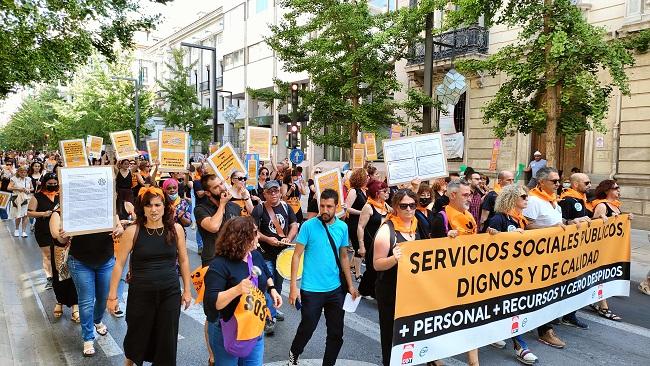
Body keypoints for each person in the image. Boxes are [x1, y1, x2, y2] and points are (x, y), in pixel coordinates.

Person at [107, 186, 192, 365]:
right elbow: (119, 264)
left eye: (157, 205)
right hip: (141, 294)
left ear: (164, 207)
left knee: (167, 340)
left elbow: (183, 261)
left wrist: (187, 291)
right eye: (148, 205)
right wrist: (112, 296)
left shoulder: (176, 229)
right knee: (137, 338)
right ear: (142, 208)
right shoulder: (132, 231)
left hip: (170, 292)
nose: (153, 210)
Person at [288, 189, 359, 366]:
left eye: (329, 206)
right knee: (308, 327)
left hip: (335, 289)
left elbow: (343, 256)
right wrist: (293, 287)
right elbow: (296, 255)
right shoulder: (308, 226)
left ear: (336, 207)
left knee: (336, 333)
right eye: (322, 206)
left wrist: (350, 285)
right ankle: (294, 354)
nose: (325, 210)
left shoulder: (342, 227)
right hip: (311, 289)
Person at [203, 217, 282, 365]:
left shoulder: (255, 255)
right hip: (228, 329)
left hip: (253, 327)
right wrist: (237, 290)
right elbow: (213, 302)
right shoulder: (219, 265)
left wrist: (272, 289)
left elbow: (266, 272)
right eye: (255, 232)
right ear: (242, 238)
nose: (258, 236)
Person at [50, 208, 123, 356]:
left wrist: (120, 229)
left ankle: (96, 320)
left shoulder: (106, 204)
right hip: (80, 261)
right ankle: (88, 337)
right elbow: (61, 239)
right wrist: (63, 234)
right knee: (86, 301)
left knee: (103, 297)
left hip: (105, 259)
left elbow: (118, 225)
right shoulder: (67, 209)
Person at [486, 185, 539, 365]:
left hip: (518, 272)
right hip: (500, 273)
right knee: (511, 308)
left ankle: (494, 333)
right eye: (523, 196)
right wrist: (500, 235)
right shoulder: (498, 219)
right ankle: (520, 346)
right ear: (511, 198)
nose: (527, 199)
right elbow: (489, 245)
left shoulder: (520, 220)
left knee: (505, 307)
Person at [194, 174, 242, 365]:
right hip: (212, 264)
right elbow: (213, 227)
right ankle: (213, 353)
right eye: (216, 187)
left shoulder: (234, 206)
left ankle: (233, 346)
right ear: (207, 192)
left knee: (235, 306)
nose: (222, 188)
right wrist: (221, 205)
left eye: (222, 183)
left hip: (234, 263)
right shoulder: (201, 208)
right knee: (213, 313)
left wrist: (245, 197)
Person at [373, 189, 421, 366]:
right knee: (391, 337)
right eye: (404, 206)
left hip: (413, 292)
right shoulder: (387, 230)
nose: (409, 209)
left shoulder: (418, 225)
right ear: (395, 207)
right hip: (390, 292)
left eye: (412, 205)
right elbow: (377, 264)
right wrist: (394, 258)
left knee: (410, 336)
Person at [523, 167, 567, 348]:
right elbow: (526, 227)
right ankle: (544, 330)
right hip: (538, 257)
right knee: (540, 293)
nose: (558, 184)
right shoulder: (533, 200)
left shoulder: (554, 201)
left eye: (559, 181)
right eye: (554, 181)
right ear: (541, 182)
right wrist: (551, 230)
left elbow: (558, 223)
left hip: (554, 255)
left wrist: (572, 223)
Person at [251, 180, 299, 333]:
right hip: (264, 255)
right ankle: (269, 317)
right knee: (266, 285)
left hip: (282, 256)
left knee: (277, 285)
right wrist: (267, 239)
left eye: (276, 191)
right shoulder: (259, 209)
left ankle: (273, 308)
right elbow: (253, 231)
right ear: (264, 193)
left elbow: (294, 225)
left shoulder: (286, 207)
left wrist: (288, 238)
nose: (274, 194)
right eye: (270, 191)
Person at [443, 180, 480, 365]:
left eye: (470, 194)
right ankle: (434, 358)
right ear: (453, 195)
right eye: (465, 195)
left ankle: (474, 363)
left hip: (469, 277)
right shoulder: (441, 216)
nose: (470, 198)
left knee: (470, 320)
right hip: (447, 281)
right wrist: (445, 239)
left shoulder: (469, 217)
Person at [590, 179, 626, 321]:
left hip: (612, 248)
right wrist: (599, 219)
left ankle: (593, 301)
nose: (619, 190)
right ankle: (603, 307)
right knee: (601, 276)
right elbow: (592, 227)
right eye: (616, 188)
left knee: (605, 275)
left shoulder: (616, 206)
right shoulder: (602, 206)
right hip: (601, 249)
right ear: (607, 191)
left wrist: (627, 219)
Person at [357, 180, 390, 299]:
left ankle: (371, 290)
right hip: (370, 242)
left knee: (378, 269)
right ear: (377, 193)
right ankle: (364, 290)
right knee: (372, 268)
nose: (387, 193)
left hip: (382, 242)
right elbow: (360, 227)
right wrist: (361, 246)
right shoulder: (368, 206)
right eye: (384, 191)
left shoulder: (385, 205)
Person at [27, 172, 58, 290]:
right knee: (47, 255)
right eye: (50, 183)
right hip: (43, 229)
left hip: (58, 229)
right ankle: (49, 278)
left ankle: (59, 276)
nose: (53, 185)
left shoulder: (60, 195)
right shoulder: (37, 196)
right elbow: (29, 212)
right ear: (45, 183)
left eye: (55, 183)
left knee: (59, 254)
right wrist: (43, 214)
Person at [344, 168, 368, 280]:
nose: (368, 178)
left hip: (362, 222)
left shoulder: (364, 190)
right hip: (354, 223)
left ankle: (352, 268)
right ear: (360, 178)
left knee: (361, 247)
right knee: (358, 247)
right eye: (366, 176)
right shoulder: (354, 191)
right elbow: (347, 208)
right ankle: (357, 274)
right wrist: (362, 213)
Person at [8, 165, 33, 237]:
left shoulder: (28, 179)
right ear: (18, 172)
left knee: (25, 215)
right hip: (17, 199)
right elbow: (9, 188)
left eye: (25, 172)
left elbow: (32, 188)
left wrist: (28, 190)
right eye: (22, 172)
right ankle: (16, 229)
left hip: (27, 199)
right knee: (18, 215)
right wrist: (18, 188)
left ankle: (24, 231)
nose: (23, 174)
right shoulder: (14, 179)